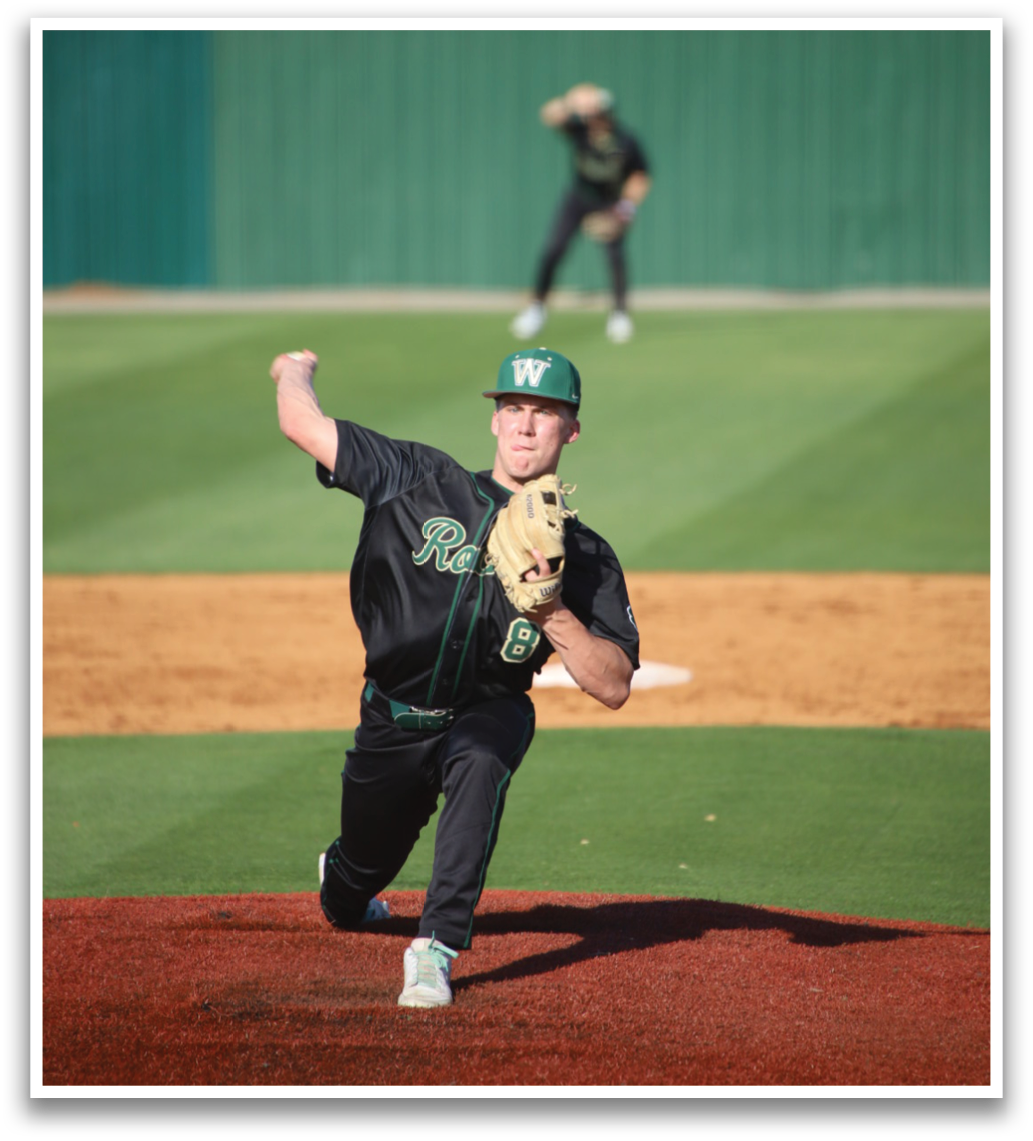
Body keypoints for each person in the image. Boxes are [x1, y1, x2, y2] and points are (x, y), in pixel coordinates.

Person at [270, 345, 640, 1008]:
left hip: (488, 707)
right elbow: (302, 424)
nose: (525, 424)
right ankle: (345, 876)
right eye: (514, 408)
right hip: (392, 717)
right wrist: (293, 370)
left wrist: (551, 610)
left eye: (544, 412)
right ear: (494, 419)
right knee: (354, 887)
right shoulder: (415, 478)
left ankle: (434, 949)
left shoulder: (582, 553)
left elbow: (612, 684)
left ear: (571, 429)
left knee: (480, 755)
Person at [510, 83, 652, 345]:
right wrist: (572, 102)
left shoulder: (625, 140)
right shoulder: (580, 131)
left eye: (599, 114)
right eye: (591, 114)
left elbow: (640, 175)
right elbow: (549, 115)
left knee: (615, 257)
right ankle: (536, 309)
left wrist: (625, 208)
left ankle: (620, 315)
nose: (594, 119)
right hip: (578, 198)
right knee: (553, 250)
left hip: (610, 202)